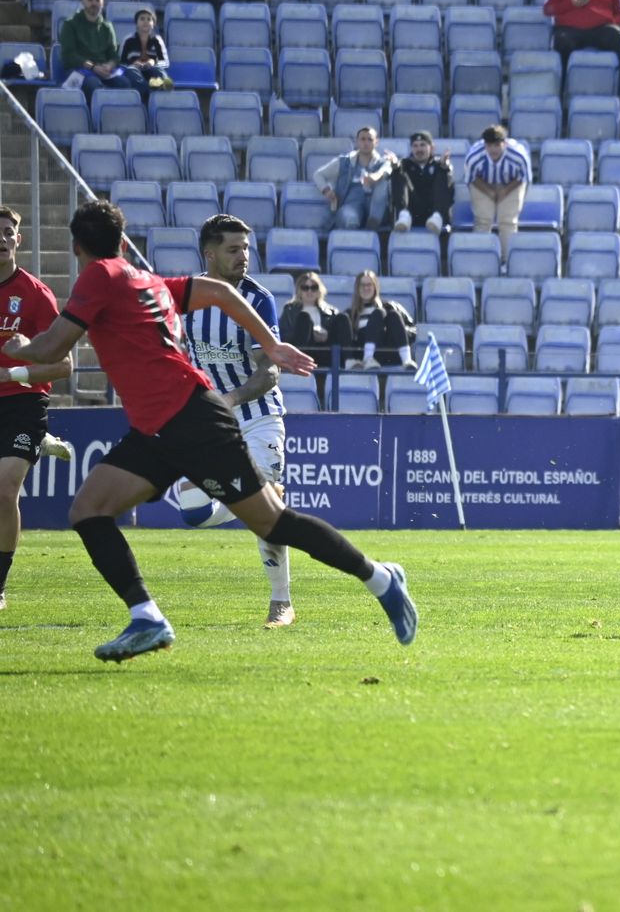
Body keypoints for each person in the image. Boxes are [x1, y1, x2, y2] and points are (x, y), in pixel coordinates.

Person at [2, 200, 417, 663]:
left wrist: (22, 346)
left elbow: (53, 347)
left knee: (271, 521)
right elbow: (219, 294)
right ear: (123, 243)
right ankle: (147, 617)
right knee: (89, 509)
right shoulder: (143, 279)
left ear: (76, 247)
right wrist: (271, 343)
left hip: (189, 418)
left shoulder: (98, 277)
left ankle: (381, 578)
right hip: (158, 427)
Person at [165, 215, 296, 629]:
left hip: (259, 415)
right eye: (233, 249)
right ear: (209, 254)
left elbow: (270, 371)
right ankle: (256, 500)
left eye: (247, 248)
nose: (244, 256)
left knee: (268, 511)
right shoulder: (186, 298)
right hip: (210, 419)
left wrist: (233, 397)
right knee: (192, 512)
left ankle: (281, 603)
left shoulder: (258, 299)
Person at [0, 205, 75, 612]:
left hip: (22, 402)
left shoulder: (34, 293)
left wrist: (12, 373)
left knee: (4, 488)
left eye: (7, 231)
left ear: (18, 239)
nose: (1, 237)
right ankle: (40, 444)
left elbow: (64, 365)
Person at [312, 126, 403, 231]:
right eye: (363, 139)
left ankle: (373, 221)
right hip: (351, 205)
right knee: (351, 220)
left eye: (370, 139)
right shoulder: (344, 161)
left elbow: (387, 170)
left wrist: (375, 176)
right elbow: (318, 174)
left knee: (383, 180)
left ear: (376, 142)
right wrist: (326, 190)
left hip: (375, 207)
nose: (366, 143)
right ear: (357, 142)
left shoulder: (383, 162)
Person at [463, 124, 532, 263]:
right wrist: (489, 192)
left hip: (512, 184)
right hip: (482, 183)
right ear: (484, 145)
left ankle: (508, 260)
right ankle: (481, 259)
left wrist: (505, 191)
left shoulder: (519, 155)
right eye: (489, 145)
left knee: (507, 221)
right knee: (483, 220)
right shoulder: (473, 157)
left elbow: (524, 177)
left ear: (504, 143)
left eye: (497, 145)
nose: (493, 149)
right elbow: (471, 178)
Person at [60, 0, 142, 98]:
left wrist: (109, 66)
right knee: (93, 85)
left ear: (103, 3)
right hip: (79, 70)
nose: (94, 3)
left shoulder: (107, 27)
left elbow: (114, 56)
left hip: (104, 71)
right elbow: (69, 55)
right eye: (90, 0)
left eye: (97, 0)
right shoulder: (70, 24)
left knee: (125, 84)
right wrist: (93, 67)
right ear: (83, 3)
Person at [331, 269, 415, 370]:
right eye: (362, 285)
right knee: (375, 314)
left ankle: (407, 360)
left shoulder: (391, 307)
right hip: (362, 350)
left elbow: (412, 329)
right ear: (357, 288)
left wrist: (400, 333)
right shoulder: (350, 314)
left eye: (369, 284)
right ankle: (368, 358)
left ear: (375, 287)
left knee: (386, 314)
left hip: (386, 349)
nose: (366, 288)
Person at [396, 131, 454, 235]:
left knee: (444, 173)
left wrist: (445, 168)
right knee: (398, 173)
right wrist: (395, 167)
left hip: (433, 214)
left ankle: (438, 216)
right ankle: (403, 215)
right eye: (415, 146)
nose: (419, 149)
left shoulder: (439, 164)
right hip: (411, 213)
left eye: (423, 145)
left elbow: (448, 183)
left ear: (432, 148)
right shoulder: (404, 164)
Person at [280, 270, 338, 368]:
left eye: (314, 288)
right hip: (301, 352)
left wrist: (327, 335)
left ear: (319, 290)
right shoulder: (289, 310)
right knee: (304, 317)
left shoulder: (331, 311)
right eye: (305, 288)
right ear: (299, 290)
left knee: (342, 319)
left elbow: (336, 335)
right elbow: (284, 335)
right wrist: (309, 333)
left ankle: (345, 363)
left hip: (325, 352)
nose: (309, 291)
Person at [119, 8, 171, 95]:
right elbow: (121, 62)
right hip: (135, 72)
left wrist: (153, 62)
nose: (145, 21)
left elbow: (165, 62)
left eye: (149, 19)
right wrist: (133, 63)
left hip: (152, 71)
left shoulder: (158, 40)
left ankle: (162, 95)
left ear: (153, 24)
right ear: (136, 23)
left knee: (160, 73)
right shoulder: (128, 40)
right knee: (131, 71)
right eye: (142, 19)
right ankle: (147, 95)